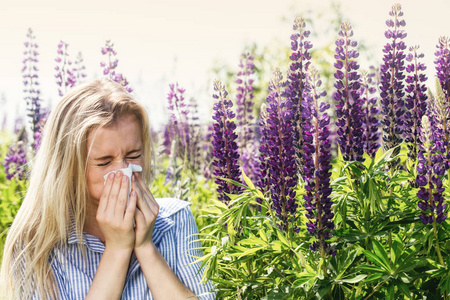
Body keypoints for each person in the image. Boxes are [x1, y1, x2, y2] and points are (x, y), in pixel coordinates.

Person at [0, 79, 215, 299]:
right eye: (104, 162)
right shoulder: (35, 247)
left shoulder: (176, 221)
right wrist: (117, 250)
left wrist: (145, 246)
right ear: (68, 167)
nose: (124, 171)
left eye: (133, 156)